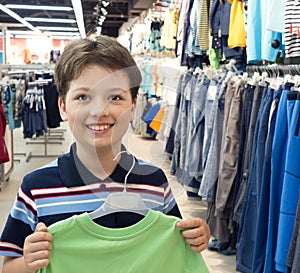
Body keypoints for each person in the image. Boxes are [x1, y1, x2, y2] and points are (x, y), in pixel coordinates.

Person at [0, 35, 210, 273]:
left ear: (133, 107)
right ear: (63, 108)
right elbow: (8, 267)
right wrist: (28, 262)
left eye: (115, 97)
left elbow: (176, 239)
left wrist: (196, 237)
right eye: (83, 97)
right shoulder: (36, 188)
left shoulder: (154, 181)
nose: (99, 111)